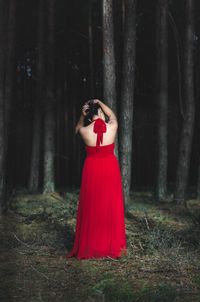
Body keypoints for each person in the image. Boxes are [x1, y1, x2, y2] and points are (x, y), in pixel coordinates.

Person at [66, 99, 127, 259]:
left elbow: (76, 129)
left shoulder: (84, 130)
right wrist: (99, 102)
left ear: (88, 115)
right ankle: (109, 245)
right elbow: (112, 115)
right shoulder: (112, 126)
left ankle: (92, 245)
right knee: (109, 203)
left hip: (92, 168)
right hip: (109, 167)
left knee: (92, 203)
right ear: (100, 112)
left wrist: (81, 116)